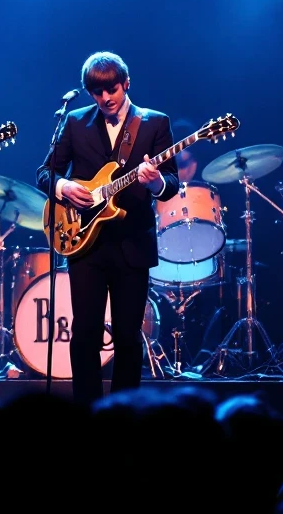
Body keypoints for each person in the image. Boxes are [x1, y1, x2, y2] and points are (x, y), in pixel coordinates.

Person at [36, 51, 180, 405]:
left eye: (111, 90)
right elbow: (44, 172)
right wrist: (63, 188)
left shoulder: (154, 123)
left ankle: (124, 416)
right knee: (84, 332)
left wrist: (155, 182)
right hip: (85, 243)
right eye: (97, 93)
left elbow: (172, 183)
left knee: (129, 336)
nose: (105, 99)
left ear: (126, 83)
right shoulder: (74, 121)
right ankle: (86, 415)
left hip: (133, 243)